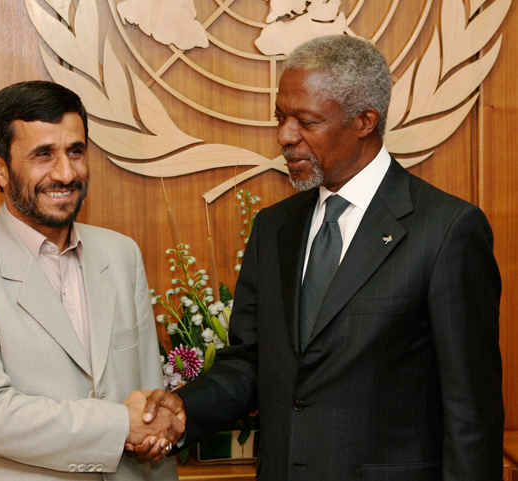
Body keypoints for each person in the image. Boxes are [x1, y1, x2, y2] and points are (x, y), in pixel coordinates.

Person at [141, 35, 504, 480]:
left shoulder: (446, 229)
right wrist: (182, 410)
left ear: (365, 121)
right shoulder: (274, 227)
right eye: (280, 118)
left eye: (306, 121)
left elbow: (471, 411)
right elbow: (249, 363)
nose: (284, 136)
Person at [0, 81, 180, 480]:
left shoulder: (122, 254)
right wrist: (121, 425)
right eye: (43, 155)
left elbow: (146, 394)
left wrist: (156, 427)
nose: (66, 173)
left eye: (76, 152)